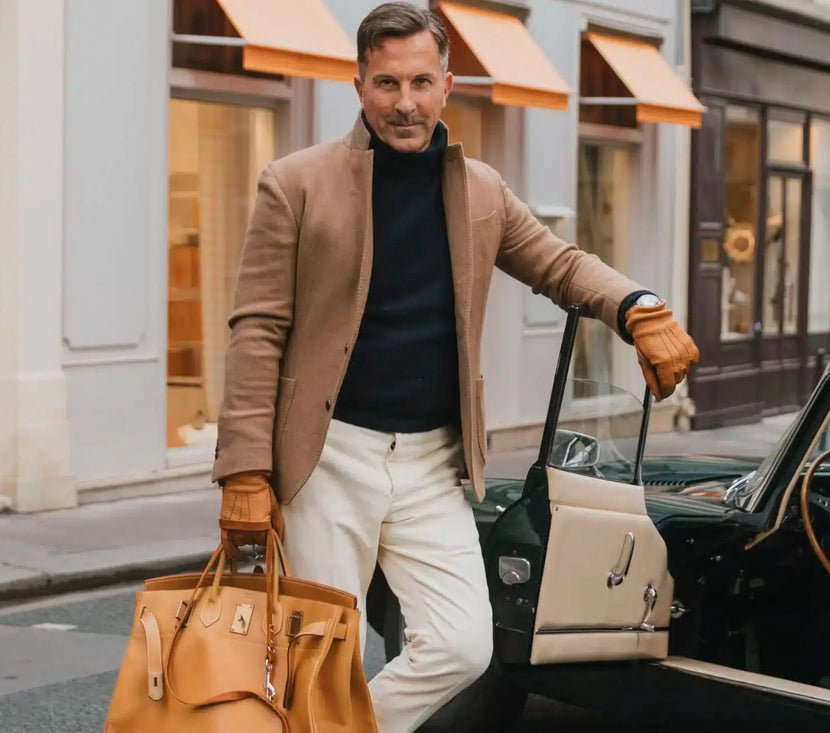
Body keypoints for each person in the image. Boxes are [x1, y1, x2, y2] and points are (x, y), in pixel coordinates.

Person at [212, 3, 699, 731]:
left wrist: (638, 307)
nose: (403, 103)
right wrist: (246, 471)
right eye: (385, 83)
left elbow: (559, 264)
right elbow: (258, 330)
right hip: (327, 455)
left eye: (418, 82)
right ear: (358, 85)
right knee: (317, 654)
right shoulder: (296, 183)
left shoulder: (481, 191)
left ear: (447, 83)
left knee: (464, 643)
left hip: (433, 461)